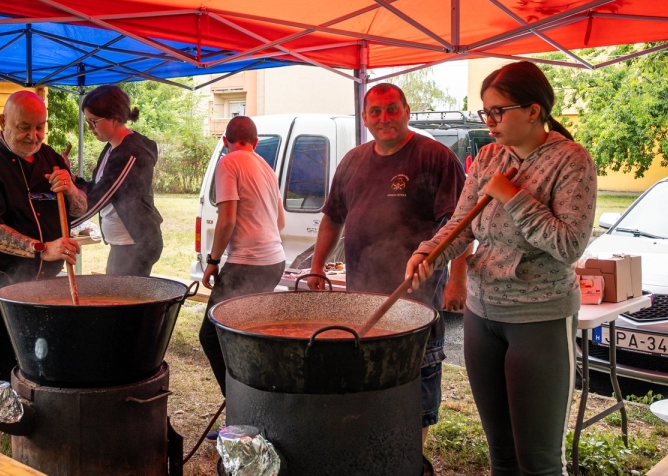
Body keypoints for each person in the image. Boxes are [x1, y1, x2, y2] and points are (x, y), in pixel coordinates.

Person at [405, 61, 597, 475]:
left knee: (539, 461)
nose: (489, 121)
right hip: (482, 315)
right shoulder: (490, 156)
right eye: (485, 112)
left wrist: (513, 197)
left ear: (533, 110)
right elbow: (461, 225)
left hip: (540, 316)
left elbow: (569, 244)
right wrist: (428, 253)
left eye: (498, 111)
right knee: (502, 455)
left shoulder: (572, 160)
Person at [306, 82, 470, 447]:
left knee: (417, 389)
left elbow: (461, 224)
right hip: (361, 299)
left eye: (392, 109)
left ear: (407, 111)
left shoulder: (434, 156)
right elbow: (333, 217)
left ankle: (411, 456)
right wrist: (317, 266)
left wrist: (457, 281)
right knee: (367, 384)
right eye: (376, 112)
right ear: (365, 118)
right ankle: (373, 451)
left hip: (416, 302)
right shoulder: (353, 160)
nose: (384, 118)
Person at [0, 90, 88, 450]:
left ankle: (28, 445)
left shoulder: (48, 157)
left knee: (34, 363)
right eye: (24, 128)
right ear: (3, 123)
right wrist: (42, 249)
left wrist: (70, 188)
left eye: (40, 127)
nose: (34, 136)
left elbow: (79, 208)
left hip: (41, 286)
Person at [199, 116, 286, 396]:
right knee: (246, 335)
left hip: (249, 264)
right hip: (274, 262)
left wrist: (212, 261)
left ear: (225, 142)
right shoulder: (266, 167)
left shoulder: (228, 162)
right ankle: (253, 404)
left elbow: (226, 221)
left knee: (212, 335)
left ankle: (241, 408)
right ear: (255, 143)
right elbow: (280, 222)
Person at [73, 85, 163, 276]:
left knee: (124, 302)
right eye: (87, 122)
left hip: (136, 244)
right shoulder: (111, 148)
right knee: (115, 297)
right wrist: (71, 180)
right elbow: (96, 187)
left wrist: (58, 230)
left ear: (114, 119)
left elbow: (100, 198)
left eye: (93, 122)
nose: (89, 128)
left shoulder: (131, 152)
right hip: (122, 243)